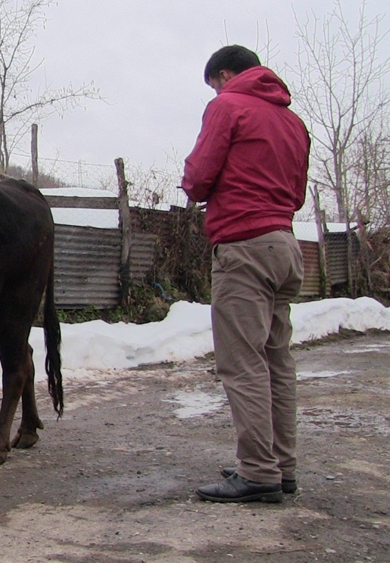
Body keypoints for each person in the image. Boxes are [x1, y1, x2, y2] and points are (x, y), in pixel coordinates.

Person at [181, 45, 310, 503]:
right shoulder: (294, 122)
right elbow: (295, 194)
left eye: (214, 82)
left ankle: (257, 472)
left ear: (224, 73)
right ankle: (282, 467)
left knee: (243, 364)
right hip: (285, 244)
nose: (215, 90)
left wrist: (195, 182)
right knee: (277, 360)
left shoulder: (228, 105)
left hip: (243, 247)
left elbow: (198, 178)